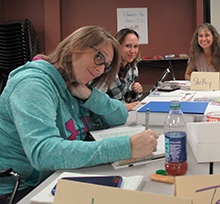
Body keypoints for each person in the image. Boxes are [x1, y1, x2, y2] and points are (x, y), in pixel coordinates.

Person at [0, 26, 159, 202]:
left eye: (106, 66)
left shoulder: (74, 84)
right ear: (76, 44)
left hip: (59, 176)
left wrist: (90, 95)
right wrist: (125, 147)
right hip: (25, 188)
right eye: (99, 58)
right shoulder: (32, 84)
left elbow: (120, 115)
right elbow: (44, 153)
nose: (100, 70)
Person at [98, 28, 143, 111]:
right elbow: (98, 101)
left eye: (135, 46)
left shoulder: (133, 67)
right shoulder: (107, 68)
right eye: (128, 46)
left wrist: (136, 90)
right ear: (117, 46)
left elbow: (127, 95)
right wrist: (124, 106)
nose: (133, 51)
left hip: (124, 113)